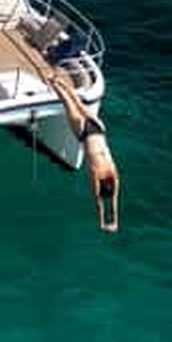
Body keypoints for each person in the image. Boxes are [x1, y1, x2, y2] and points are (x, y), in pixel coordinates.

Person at [50, 73, 120, 233]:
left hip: (99, 131)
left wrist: (114, 221)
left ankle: (60, 82)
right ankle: (54, 83)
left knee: (77, 104)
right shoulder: (97, 175)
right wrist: (104, 223)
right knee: (69, 104)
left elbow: (114, 202)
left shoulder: (112, 173)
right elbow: (100, 202)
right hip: (85, 134)